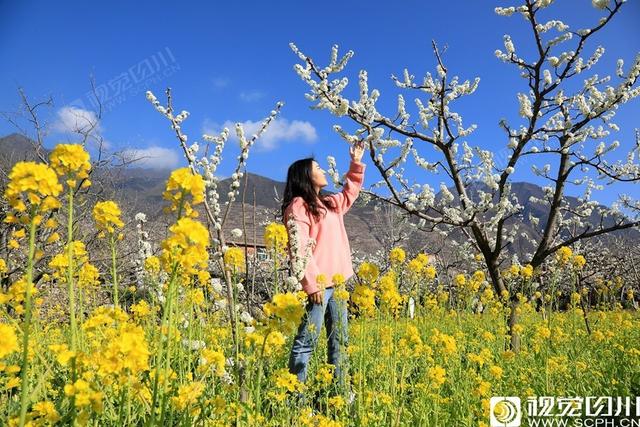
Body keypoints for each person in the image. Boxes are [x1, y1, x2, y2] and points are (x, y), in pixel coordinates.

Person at [281, 142, 366, 404]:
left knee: (339, 341)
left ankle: (339, 394)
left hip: (338, 285)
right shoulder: (298, 205)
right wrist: (312, 284)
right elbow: (300, 247)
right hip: (318, 287)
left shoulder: (329, 203)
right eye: (317, 167)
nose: (322, 170)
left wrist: (355, 163)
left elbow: (350, 192)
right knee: (307, 341)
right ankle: (295, 399)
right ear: (305, 176)